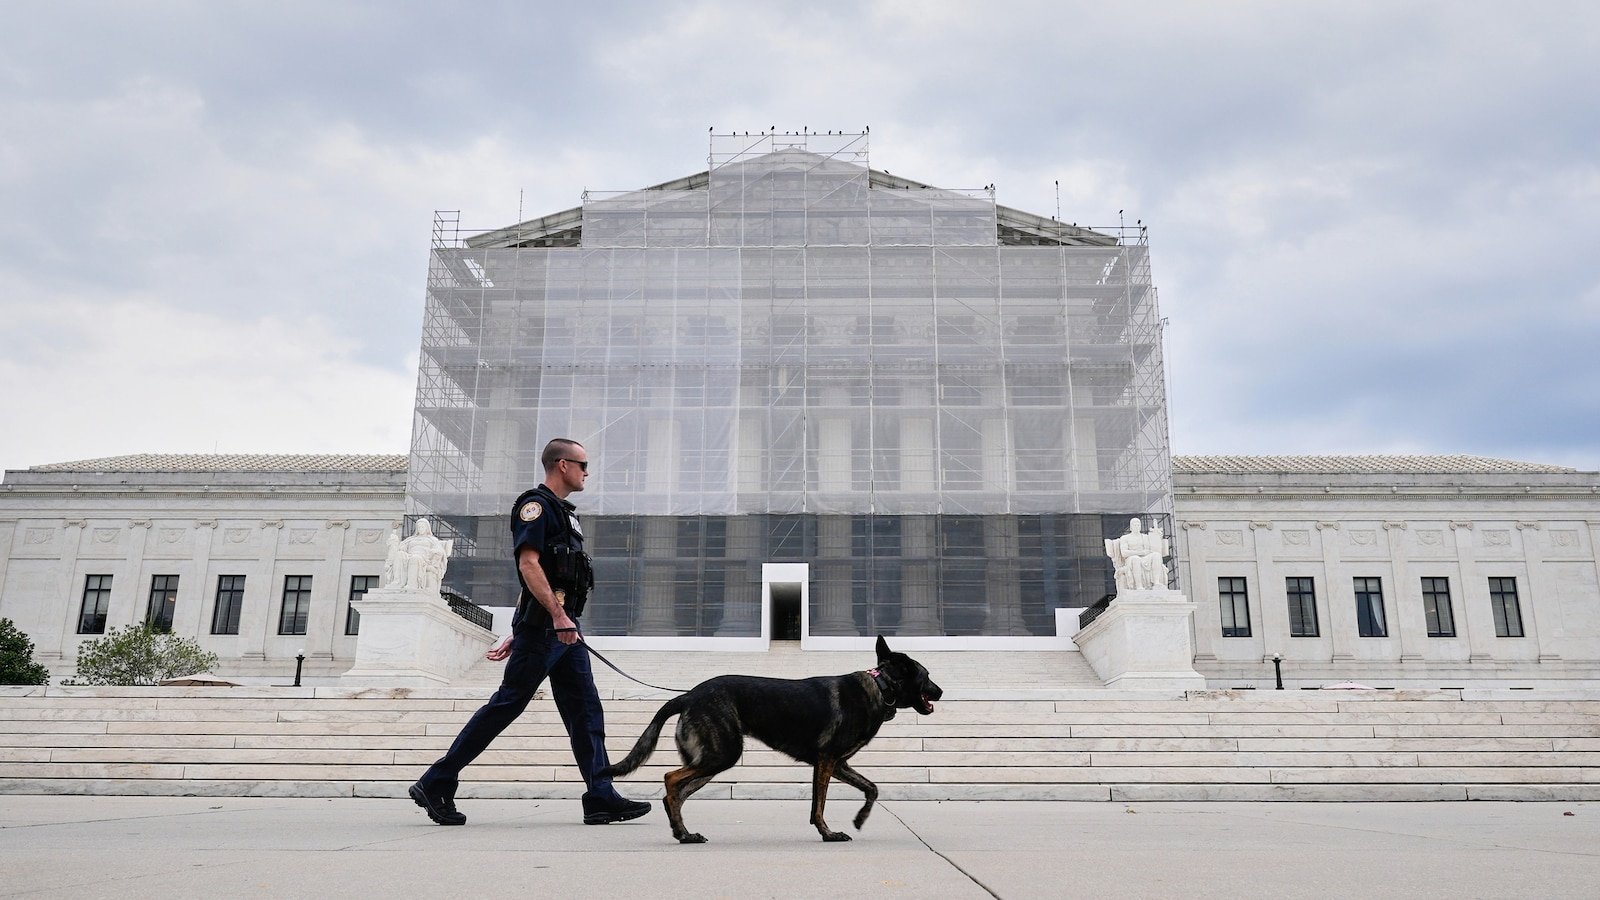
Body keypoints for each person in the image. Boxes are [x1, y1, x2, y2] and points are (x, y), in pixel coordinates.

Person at [409, 438, 651, 827]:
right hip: (550, 627)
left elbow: (547, 578)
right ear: (562, 465)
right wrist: (544, 620)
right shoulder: (535, 507)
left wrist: (523, 625)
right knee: (507, 704)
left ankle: (601, 795)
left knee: (586, 710)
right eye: (583, 464)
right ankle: (436, 780)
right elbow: (528, 565)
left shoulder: (566, 515)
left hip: (562, 627)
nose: (587, 472)